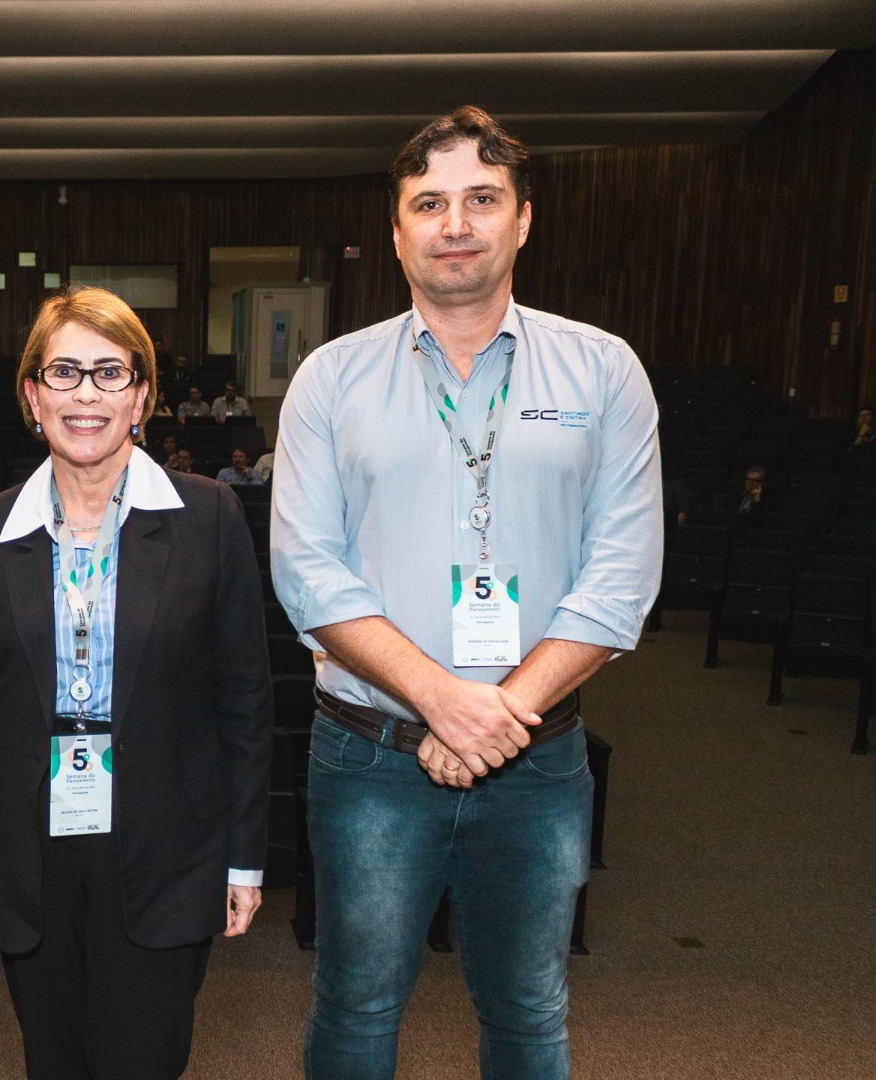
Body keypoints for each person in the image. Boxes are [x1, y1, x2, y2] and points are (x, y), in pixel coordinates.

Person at [272, 107, 661, 1079]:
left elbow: (622, 576)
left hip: (539, 758)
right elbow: (308, 572)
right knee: (355, 1006)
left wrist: (499, 713)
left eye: (482, 200)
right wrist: (442, 700)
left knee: (530, 1011)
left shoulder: (604, 370)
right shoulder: (330, 378)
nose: (456, 224)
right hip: (371, 756)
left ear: (522, 220)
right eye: (430, 204)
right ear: (397, 231)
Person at [0, 284, 272, 1080]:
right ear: (32, 395)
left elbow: (247, 706)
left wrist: (244, 858)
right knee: (52, 1060)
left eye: (110, 373)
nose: (86, 394)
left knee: (141, 1061)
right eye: (64, 373)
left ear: (141, 397)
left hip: (168, 840)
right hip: (25, 843)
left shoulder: (210, 517)